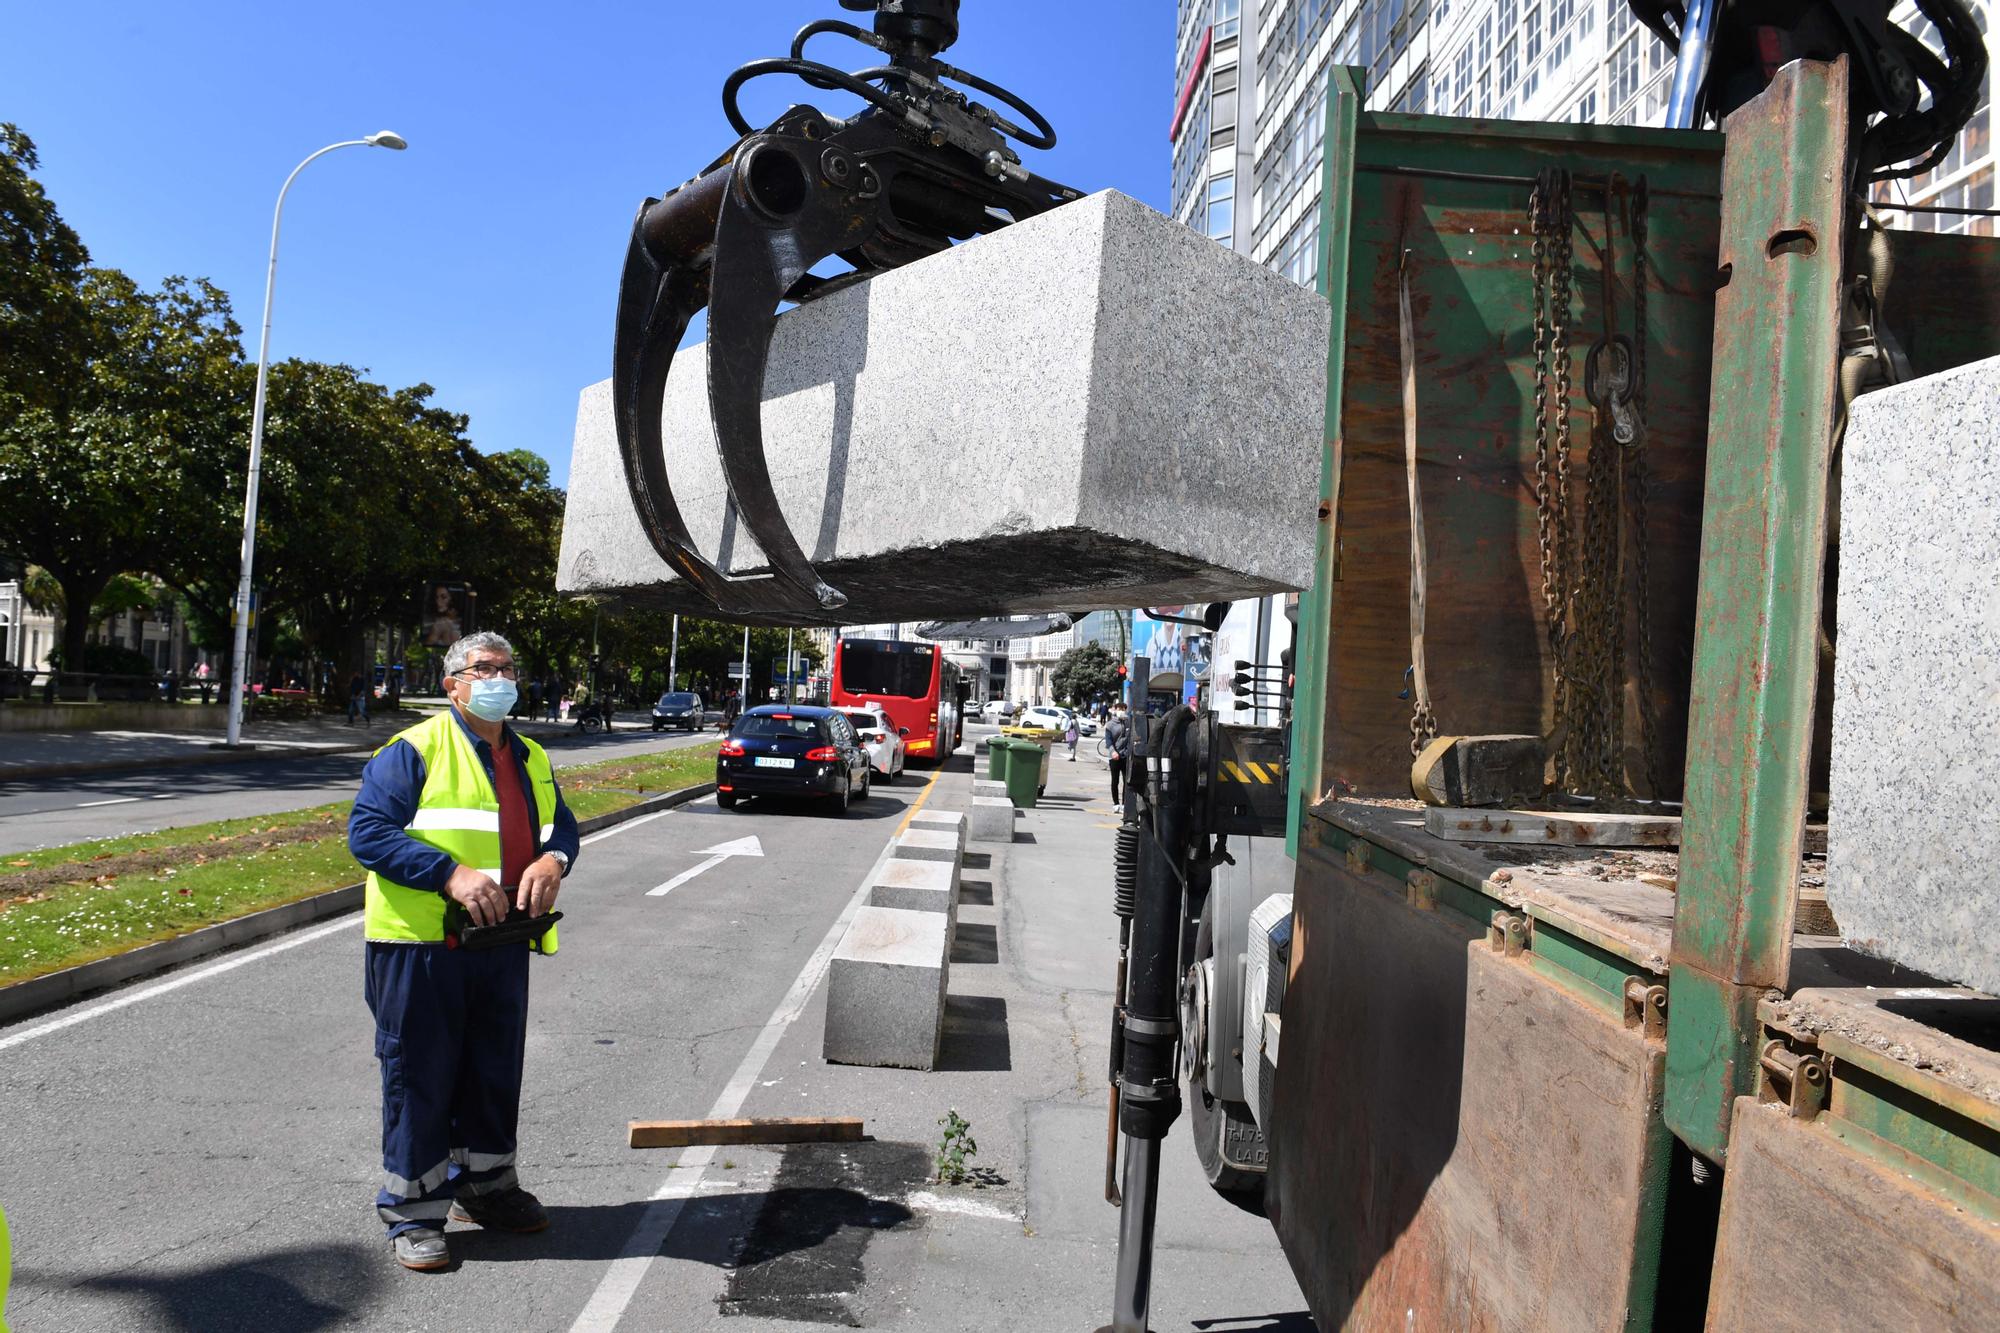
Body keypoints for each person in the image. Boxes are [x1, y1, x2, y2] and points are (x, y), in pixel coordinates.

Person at [346, 631, 580, 1272]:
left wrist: (555, 858)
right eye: (482, 669)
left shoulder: (530, 754)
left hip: (501, 941)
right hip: (421, 945)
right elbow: (367, 833)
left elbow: (562, 823)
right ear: (452, 684)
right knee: (420, 1074)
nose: (498, 678)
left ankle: (485, 1187)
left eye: (506, 668)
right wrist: (449, 873)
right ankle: (413, 1211)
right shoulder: (414, 749)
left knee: (492, 1069)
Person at [1105, 704, 1131, 804]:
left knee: (1126, 782)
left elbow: (1131, 739)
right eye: (1119, 709)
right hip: (1114, 756)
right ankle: (1116, 803)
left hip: (1125, 756)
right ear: (1115, 710)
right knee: (1115, 781)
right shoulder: (1110, 724)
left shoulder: (1128, 722)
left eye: (1124, 709)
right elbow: (1108, 741)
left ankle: (1125, 804)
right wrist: (1113, 752)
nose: (1122, 710)